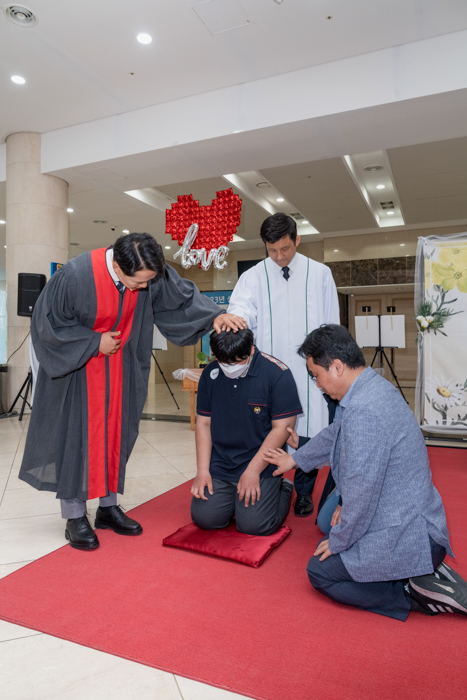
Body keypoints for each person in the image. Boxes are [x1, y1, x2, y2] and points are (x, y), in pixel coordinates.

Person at [19, 233, 244, 551]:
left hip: (121, 370)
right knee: (77, 440)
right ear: (116, 264)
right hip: (79, 374)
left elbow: (179, 296)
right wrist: (94, 342)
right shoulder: (75, 275)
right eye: (138, 283)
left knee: (114, 436)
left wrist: (214, 316)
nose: (143, 289)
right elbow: (48, 324)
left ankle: (108, 508)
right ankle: (74, 516)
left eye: (147, 282)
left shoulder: (148, 271)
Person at [265, 324, 467, 620]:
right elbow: (336, 433)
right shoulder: (371, 387)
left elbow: (361, 495)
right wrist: (295, 461)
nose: (316, 383)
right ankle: (420, 570)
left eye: (315, 375)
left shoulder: (364, 412)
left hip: (409, 533)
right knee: (332, 527)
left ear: (336, 367)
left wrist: (339, 542)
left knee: (320, 572)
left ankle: (411, 593)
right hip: (419, 524)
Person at [228, 212, 340, 517]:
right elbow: (241, 308)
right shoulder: (252, 276)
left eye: (285, 249)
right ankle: (274, 483)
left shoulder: (319, 273)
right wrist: (236, 320)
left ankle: (304, 492)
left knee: (309, 431)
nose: (279, 256)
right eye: (272, 250)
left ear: (297, 240)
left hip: (310, 370)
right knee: (270, 429)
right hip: (270, 370)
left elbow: (331, 322)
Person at [191, 328, 302, 536]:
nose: (230, 368)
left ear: (251, 349)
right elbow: (204, 423)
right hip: (222, 462)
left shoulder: (277, 373)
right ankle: (232, 498)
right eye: (224, 362)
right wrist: (203, 470)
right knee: (205, 518)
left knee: (254, 525)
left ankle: (284, 489)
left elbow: (282, 428)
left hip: (261, 461)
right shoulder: (211, 374)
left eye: (237, 362)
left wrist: (253, 471)